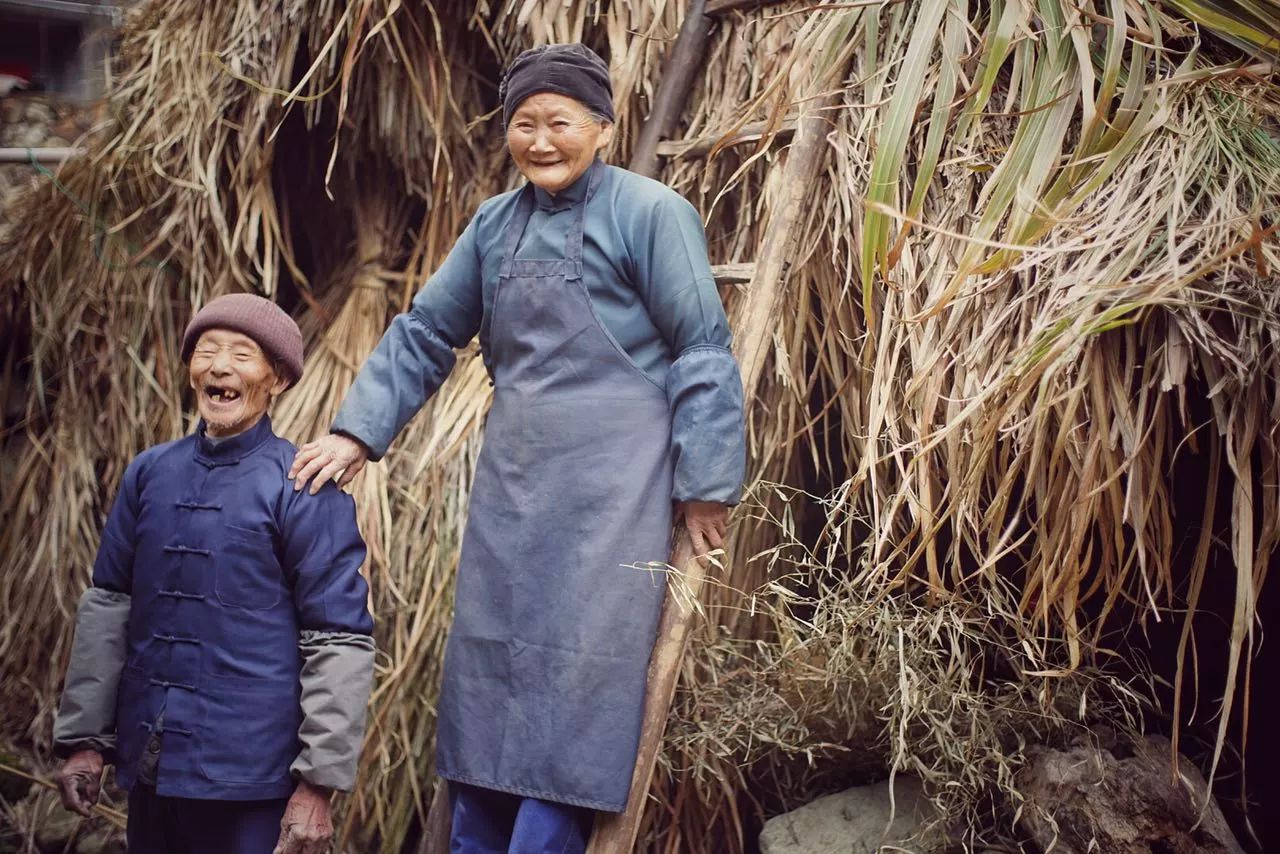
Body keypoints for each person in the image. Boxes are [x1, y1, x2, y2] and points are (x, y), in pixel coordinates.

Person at [290, 43, 746, 853]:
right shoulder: (493, 225)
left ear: (602, 128)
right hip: (513, 484)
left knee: (580, 679)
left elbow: (702, 349)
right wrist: (356, 431)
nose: (541, 141)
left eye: (560, 122)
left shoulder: (650, 213)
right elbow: (428, 331)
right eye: (524, 124)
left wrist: (706, 482)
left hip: (615, 491)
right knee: (491, 673)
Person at [52, 293, 376, 854]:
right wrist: (85, 742)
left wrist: (317, 783)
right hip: (153, 773)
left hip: (252, 786)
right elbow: (110, 605)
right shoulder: (149, 474)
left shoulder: (301, 485)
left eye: (241, 355)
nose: (219, 367)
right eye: (207, 352)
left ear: (276, 379)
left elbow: (339, 638)